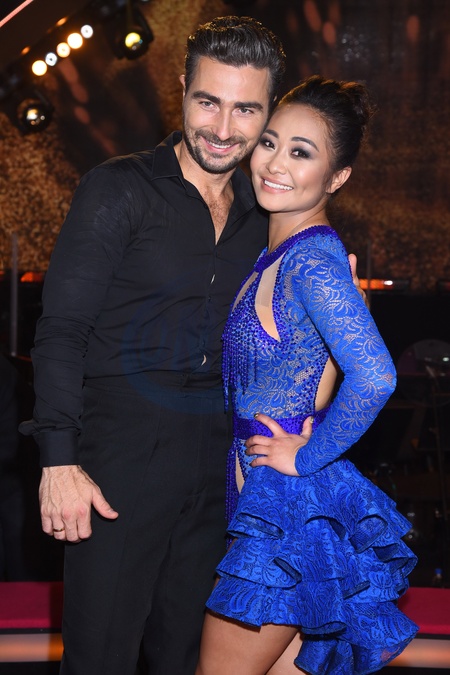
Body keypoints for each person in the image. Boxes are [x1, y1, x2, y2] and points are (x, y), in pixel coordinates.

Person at [20, 17, 363, 675]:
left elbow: (298, 349)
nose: (223, 128)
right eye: (208, 101)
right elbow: (61, 330)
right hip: (117, 465)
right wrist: (58, 461)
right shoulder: (118, 188)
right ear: (181, 89)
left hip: (225, 475)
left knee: (189, 661)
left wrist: (335, 324)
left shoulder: (269, 216)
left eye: (246, 110)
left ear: (268, 110)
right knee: (99, 659)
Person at [196, 76, 418, 675]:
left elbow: (376, 377)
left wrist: (307, 455)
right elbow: (311, 369)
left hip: (287, 511)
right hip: (272, 504)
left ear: (336, 177)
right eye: (270, 142)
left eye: (301, 152)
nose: (274, 163)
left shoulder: (312, 261)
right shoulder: (283, 253)